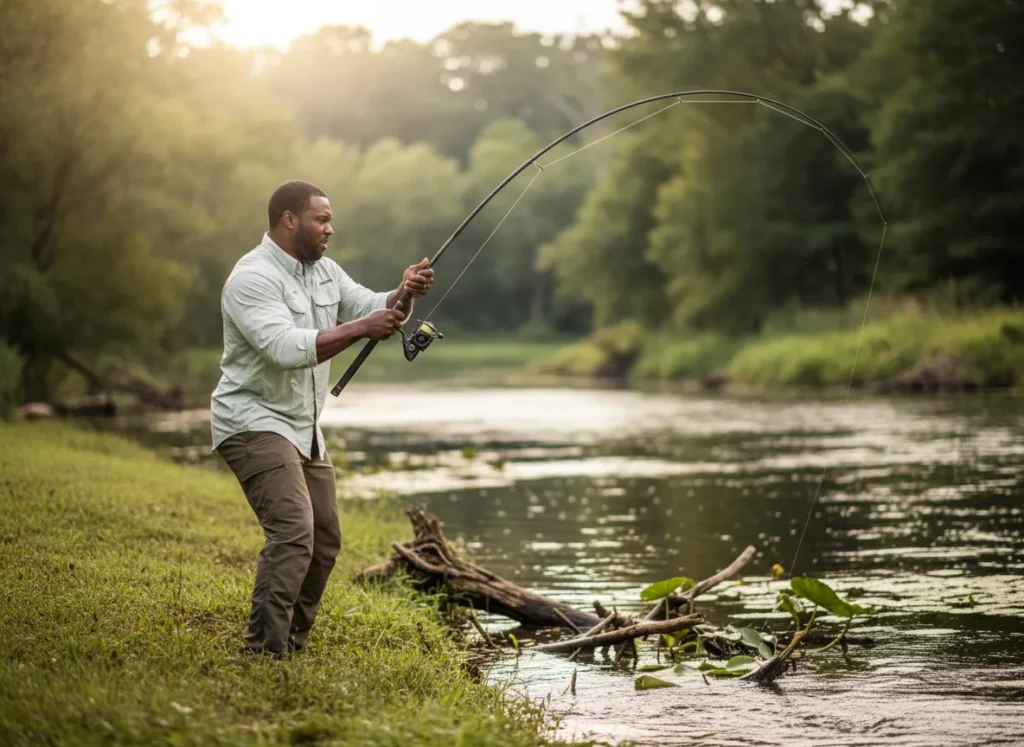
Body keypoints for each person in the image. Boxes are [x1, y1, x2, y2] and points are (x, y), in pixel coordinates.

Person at [210, 179, 433, 656]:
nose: (330, 229)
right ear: (290, 219)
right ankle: (263, 651)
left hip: (304, 428)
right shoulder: (251, 277)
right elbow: (283, 347)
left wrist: (404, 291)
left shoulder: (325, 271)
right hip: (252, 420)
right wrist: (359, 329)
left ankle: (291, 642)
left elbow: (377, 307)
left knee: (325, 538)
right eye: (322, 219)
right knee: (293, 530)